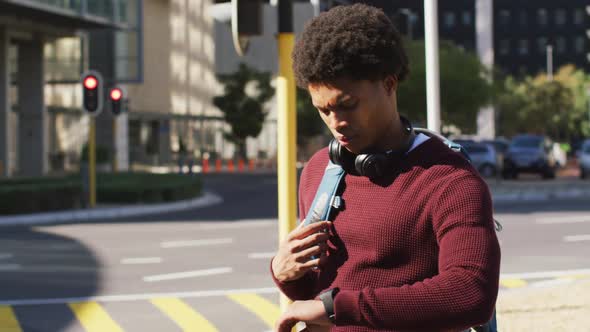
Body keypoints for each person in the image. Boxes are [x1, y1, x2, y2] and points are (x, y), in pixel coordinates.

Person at [270, 4, 501, 332]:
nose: (336, 123)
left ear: (389, 84)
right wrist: (286, 273)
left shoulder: (451, 180)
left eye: (347, 104)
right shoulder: (320, 170)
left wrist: (339, 307)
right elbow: (319, 294)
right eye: (323, 110)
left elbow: (470, 294)